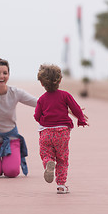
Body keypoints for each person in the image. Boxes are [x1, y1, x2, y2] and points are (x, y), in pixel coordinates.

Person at [34, 64, 88, 194]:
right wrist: (81, 120)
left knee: (46, 154)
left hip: (46, 132)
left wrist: (44, 122)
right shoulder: (65, 95)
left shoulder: (42, 99)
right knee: (62, 159)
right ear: (60, 80)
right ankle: (61, 186)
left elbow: (36, 116)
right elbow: (76, 108)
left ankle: (48, 163)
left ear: (42, 83)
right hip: (62, 133)